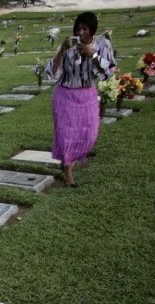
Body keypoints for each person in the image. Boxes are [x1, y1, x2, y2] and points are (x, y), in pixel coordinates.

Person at [45, 12, 116, 187]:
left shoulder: (102, 45)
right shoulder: (69, 46)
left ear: (93, 30)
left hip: (87, 96)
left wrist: (92, 55)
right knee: (66, 136)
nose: (81, 32)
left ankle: (70, 160)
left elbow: (109, 70)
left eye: (85, 28)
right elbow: (52, 71)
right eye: (78, 28)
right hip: (65, 95)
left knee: (89, 134)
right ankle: (68, 172)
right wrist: (62, 50)